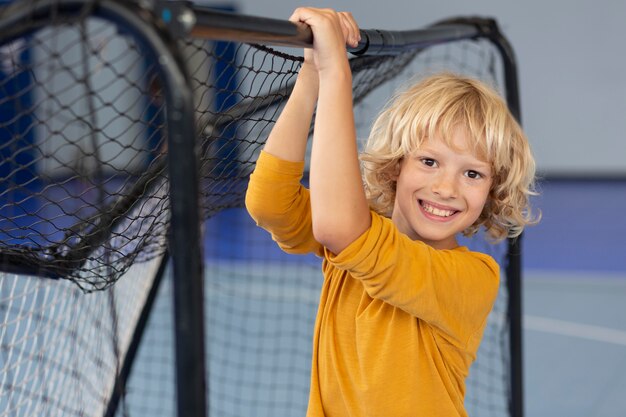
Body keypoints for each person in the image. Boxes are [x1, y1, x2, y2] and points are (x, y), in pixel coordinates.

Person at [245, 7, 538, 417]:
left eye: (472, 173)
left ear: (493, 192)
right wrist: (311, 75)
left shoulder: (473, 279)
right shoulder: (359, 229)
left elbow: (344, 232)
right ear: (396, 164)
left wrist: (336, 75)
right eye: (429, 162)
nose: (445, 188)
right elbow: (270, 203)